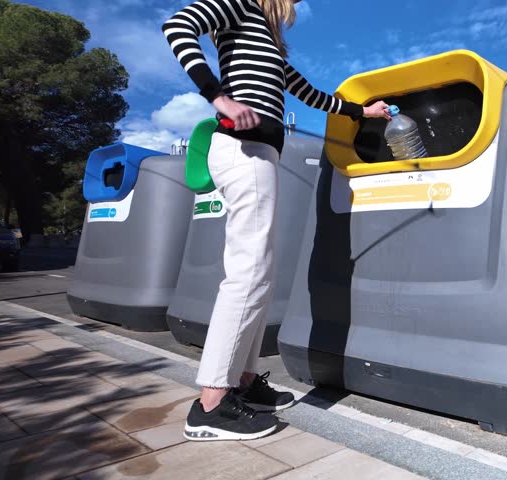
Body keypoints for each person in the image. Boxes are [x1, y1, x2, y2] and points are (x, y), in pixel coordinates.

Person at [162, 0, 390, 441]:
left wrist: (365, 113)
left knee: (259, 274)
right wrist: (219, 96)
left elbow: (309, 94)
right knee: (247, 274)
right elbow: (177, 26)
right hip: (241, 150)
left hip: (262, 154)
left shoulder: (268, 42)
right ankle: (210, 403)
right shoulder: (239, 6)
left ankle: (244, 383)